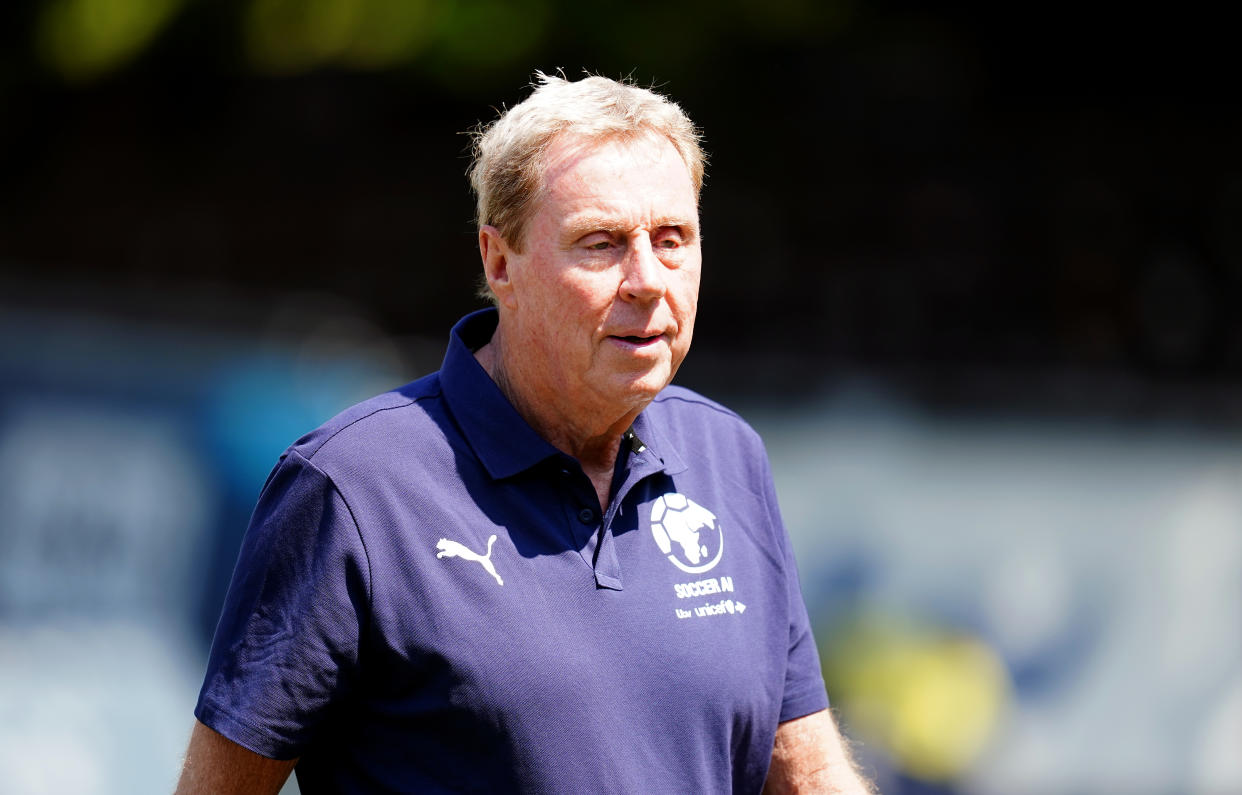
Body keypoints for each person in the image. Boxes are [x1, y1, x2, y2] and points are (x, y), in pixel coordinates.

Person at [176, 72, 873, 794]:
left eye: (673, 239)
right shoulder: (353, 486)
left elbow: (808, 772)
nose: (647, 280)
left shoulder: (728, 455)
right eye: (600, 243)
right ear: (498, 261)